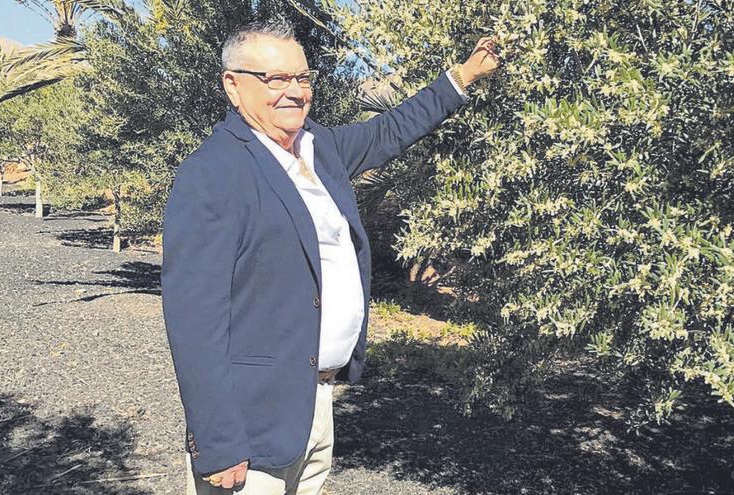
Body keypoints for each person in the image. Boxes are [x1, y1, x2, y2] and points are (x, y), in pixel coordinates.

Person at [161, 16, 499, 495]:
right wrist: (217, 441)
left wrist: (462, 77)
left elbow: (389, 131)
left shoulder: (320, 148)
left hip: (316, 401)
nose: (294, 91)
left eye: (302, 78)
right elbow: (194, 320)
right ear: (233, 87)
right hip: (252, 423)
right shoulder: (213, 174)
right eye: (275, 79)